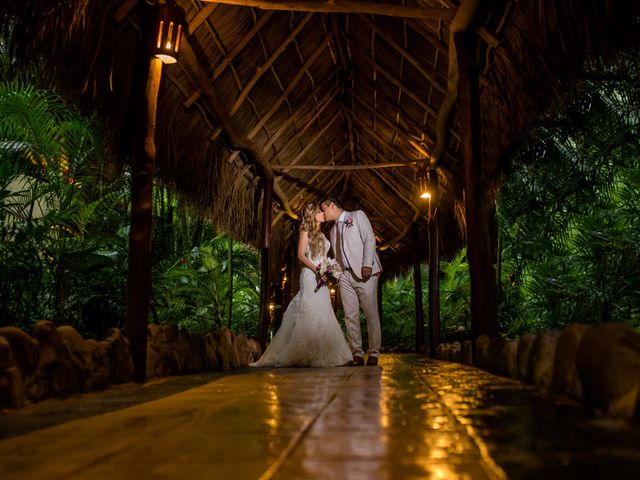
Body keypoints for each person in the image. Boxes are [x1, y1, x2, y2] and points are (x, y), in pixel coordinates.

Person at [250, 203, 352, 367]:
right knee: (309, 309)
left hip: (322, 278)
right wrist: (317, 269)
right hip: (310, 276)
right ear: (313, 215)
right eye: (319, 212)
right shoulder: (306, 232)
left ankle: (324, 351)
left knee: (323, 310)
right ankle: (300, 352)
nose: (322, 213)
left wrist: (329, 270)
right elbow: (300, 255)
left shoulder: (322, 234)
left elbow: (324, 257)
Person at [320, 196, 382, 366]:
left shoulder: (357, 216)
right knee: (350, 315)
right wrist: (333, 273)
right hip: (344, 276)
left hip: (364, 273)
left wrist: (367, 264)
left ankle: (374, 353)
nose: (323, 214)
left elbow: (369, 239)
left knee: (370, 313)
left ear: (332, 206)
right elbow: (337, 255)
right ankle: (357, 354)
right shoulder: (332, 231)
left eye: (324, 209)